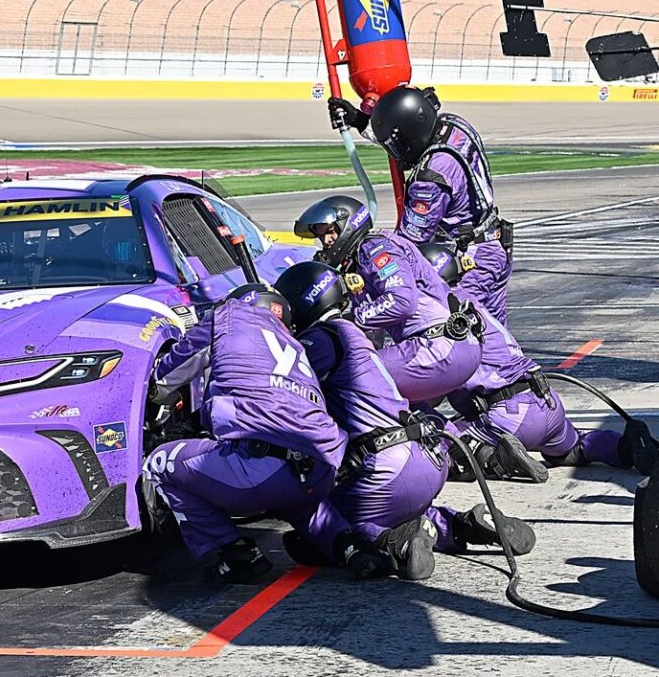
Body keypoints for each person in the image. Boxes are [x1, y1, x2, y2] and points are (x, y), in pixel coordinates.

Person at [273, 261, 535, 578]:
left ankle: (398, 542)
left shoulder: (319, 341)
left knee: (314, 512)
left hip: (385, 467)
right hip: (426, 458)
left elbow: (279, 394)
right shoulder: (355, 335)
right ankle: (462, 524)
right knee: (387, 507)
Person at [143, 284, 347, 582]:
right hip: (321, 471)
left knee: (159, 463)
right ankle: (351, 544)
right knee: (299, 503)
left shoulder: (229, 316)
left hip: (260, 471)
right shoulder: (296, 345)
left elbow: (163, 382)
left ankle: (235, 552)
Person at [419, 242, 642, 473]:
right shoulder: (471, 301)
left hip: (508, 416)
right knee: (571, 450)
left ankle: (495, 459)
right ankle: (623, 447)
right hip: (546, 400)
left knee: (434, 439)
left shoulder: (438, 319)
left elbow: (429, 391)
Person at [329, 86, 512, 327]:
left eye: (396, 145)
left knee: (465, 335)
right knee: (497, 337)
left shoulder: (430, 178)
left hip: (470, 262)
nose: (395, 153)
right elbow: (410, 131)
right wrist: (360, 121)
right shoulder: (454, 126)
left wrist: (369, 260)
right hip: (494, 244)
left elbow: (410, 240)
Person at [295, 195, 483, 405]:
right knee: (401, 402)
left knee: (341, 378)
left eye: (330, 232)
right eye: (322, 237)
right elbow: (371, 337)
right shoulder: (361, 259)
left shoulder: (373, 247)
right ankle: (445, 438)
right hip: (455, 346)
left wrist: (346, 319)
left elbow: (402, 301)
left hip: (437, 346)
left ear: (347, 225)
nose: (327, 242)